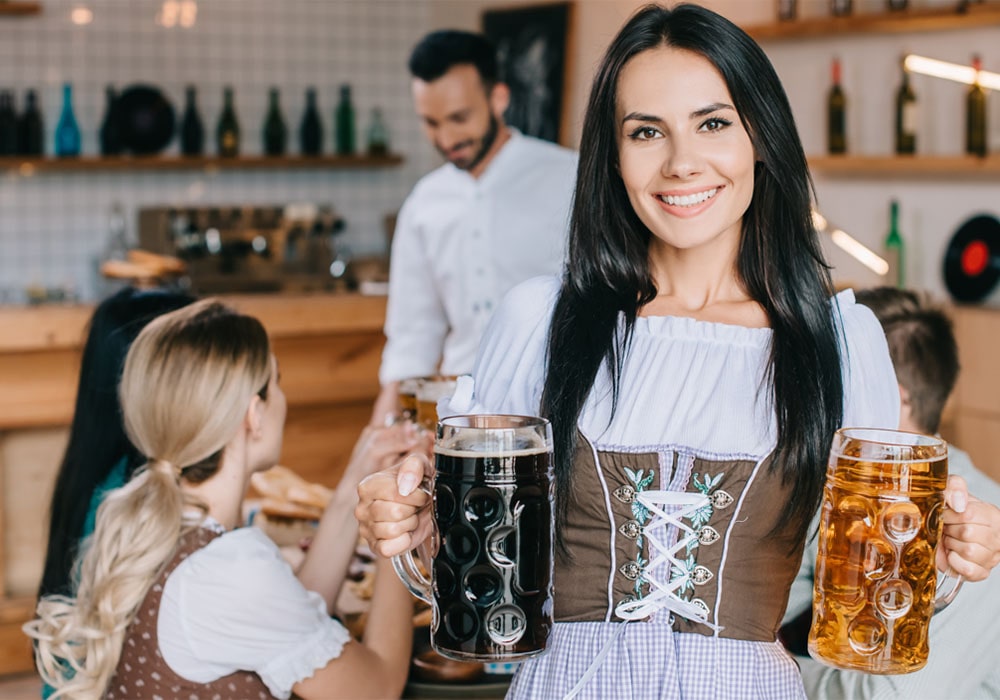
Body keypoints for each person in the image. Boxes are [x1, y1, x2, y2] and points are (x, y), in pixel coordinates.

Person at [356, 6, 1000, 699]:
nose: (681, 161)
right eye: (645, 132)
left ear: (760, 136)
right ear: (613, 153)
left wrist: (954, 555)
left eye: (713, 122)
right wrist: (416, 531)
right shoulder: (542, 321)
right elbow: (480, 581)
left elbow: (881, 581)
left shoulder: (840, 344)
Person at [26, 301, 413, 700]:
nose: (283, 397)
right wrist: (395, 525)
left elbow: (292, 617)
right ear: (255, 413)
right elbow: (378, 687)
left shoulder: (161, 527)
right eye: (276, 381)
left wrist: (359, 480)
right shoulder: (228, 570)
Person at [781, 286, 1000, 699]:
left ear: (892, 398)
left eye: (828, 385)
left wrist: (769, 666)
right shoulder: (837, 495)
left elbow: (889, 697)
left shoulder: (979, 528)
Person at [371, 29, 578, 425]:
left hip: (554, 409)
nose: (446, 138)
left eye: (459, 118)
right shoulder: (422, 204)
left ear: (498, 98)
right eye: (430, 123)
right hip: (456, 413)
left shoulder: (570, 178)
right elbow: (413, 334)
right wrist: (378, 433)